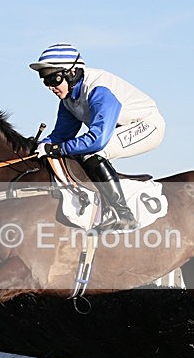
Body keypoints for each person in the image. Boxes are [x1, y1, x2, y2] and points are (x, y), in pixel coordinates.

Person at [30, 43, 165, 231]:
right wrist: (37, 147)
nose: (50, 87)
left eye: (54, 79)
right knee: (72, 152)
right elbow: (61, 135)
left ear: (72, 73)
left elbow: (96, 140)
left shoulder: (98, 90)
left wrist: (56, 148)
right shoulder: (68, 100)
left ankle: (123, 214)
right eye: (46, 81)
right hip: (118, 129)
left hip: (148, 125)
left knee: (91, 153)